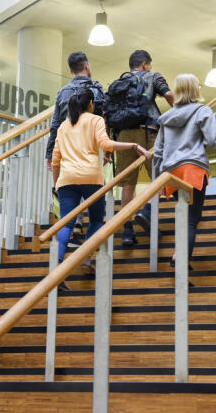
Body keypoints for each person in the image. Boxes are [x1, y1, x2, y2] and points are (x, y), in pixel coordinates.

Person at [52, 88, 151, 289]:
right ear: (90, 104)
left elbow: (55, 159)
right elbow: (106, 143)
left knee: (66, 224)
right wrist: (133, 145)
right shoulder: (95, 120)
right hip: (91, 178)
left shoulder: (63, 125)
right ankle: (86, 258)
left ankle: (58, 269)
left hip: (67, 180)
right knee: (96, 220)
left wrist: (55, 184)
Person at [152, 73, 216, 275]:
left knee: (183, 215)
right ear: (195, 89)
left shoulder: (167, 117)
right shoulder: (203, 111)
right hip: (192, 169)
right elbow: (212, 142)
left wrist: (157, 180)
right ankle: (179, 259)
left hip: (171, 173)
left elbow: (158, 151)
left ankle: (178, 254)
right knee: (191, 219)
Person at [108, 49, 175, 247]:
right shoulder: (153, 76)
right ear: (145, 64)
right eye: (150, 64)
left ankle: (127, 231)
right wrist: (182, 111)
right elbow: (169, 94)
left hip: (123, 136)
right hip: (148, 133)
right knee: (159, 179)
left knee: (128, 184)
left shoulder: (119, 83)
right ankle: (146, 212)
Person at [45, 52, 106, 245]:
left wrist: (49, 153)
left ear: (70, 70)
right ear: (86, 66)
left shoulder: (62, 92)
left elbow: (55, 125)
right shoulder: (96, 89)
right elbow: (104, 118)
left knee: (70, 189)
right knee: (91, 191)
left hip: (66, 148)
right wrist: (109, 150)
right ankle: (87, 233)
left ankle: (73, 227)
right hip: (89, 150)